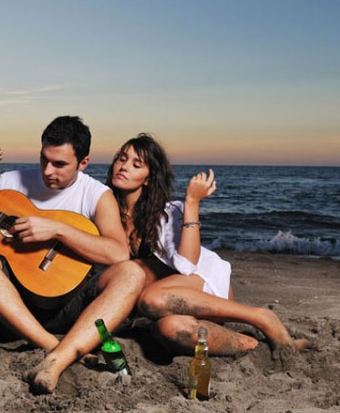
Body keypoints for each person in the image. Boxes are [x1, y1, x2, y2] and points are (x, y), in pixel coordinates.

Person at [0, 116, 145, 394]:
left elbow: (118, 252)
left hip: (71, 303)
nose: (47, 170)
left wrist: (58, 230)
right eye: (44, 159)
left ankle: (57, 359)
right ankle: (50, 344)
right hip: (14, 303)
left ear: (84, 163)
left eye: (60, 164)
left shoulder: (96, 194)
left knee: (133, 273)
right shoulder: (10, 182)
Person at [106, 132, 307, 354]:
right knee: (171, 329)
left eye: (136, 164)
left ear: (149, 178)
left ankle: (260, 317)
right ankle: (251, 345)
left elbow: (186, 266)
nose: (123, 167)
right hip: (166, 303)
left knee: (153, 298)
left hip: (200, 286)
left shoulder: (168, 212)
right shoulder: (107, 213)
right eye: (121, 159)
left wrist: (192, 202)